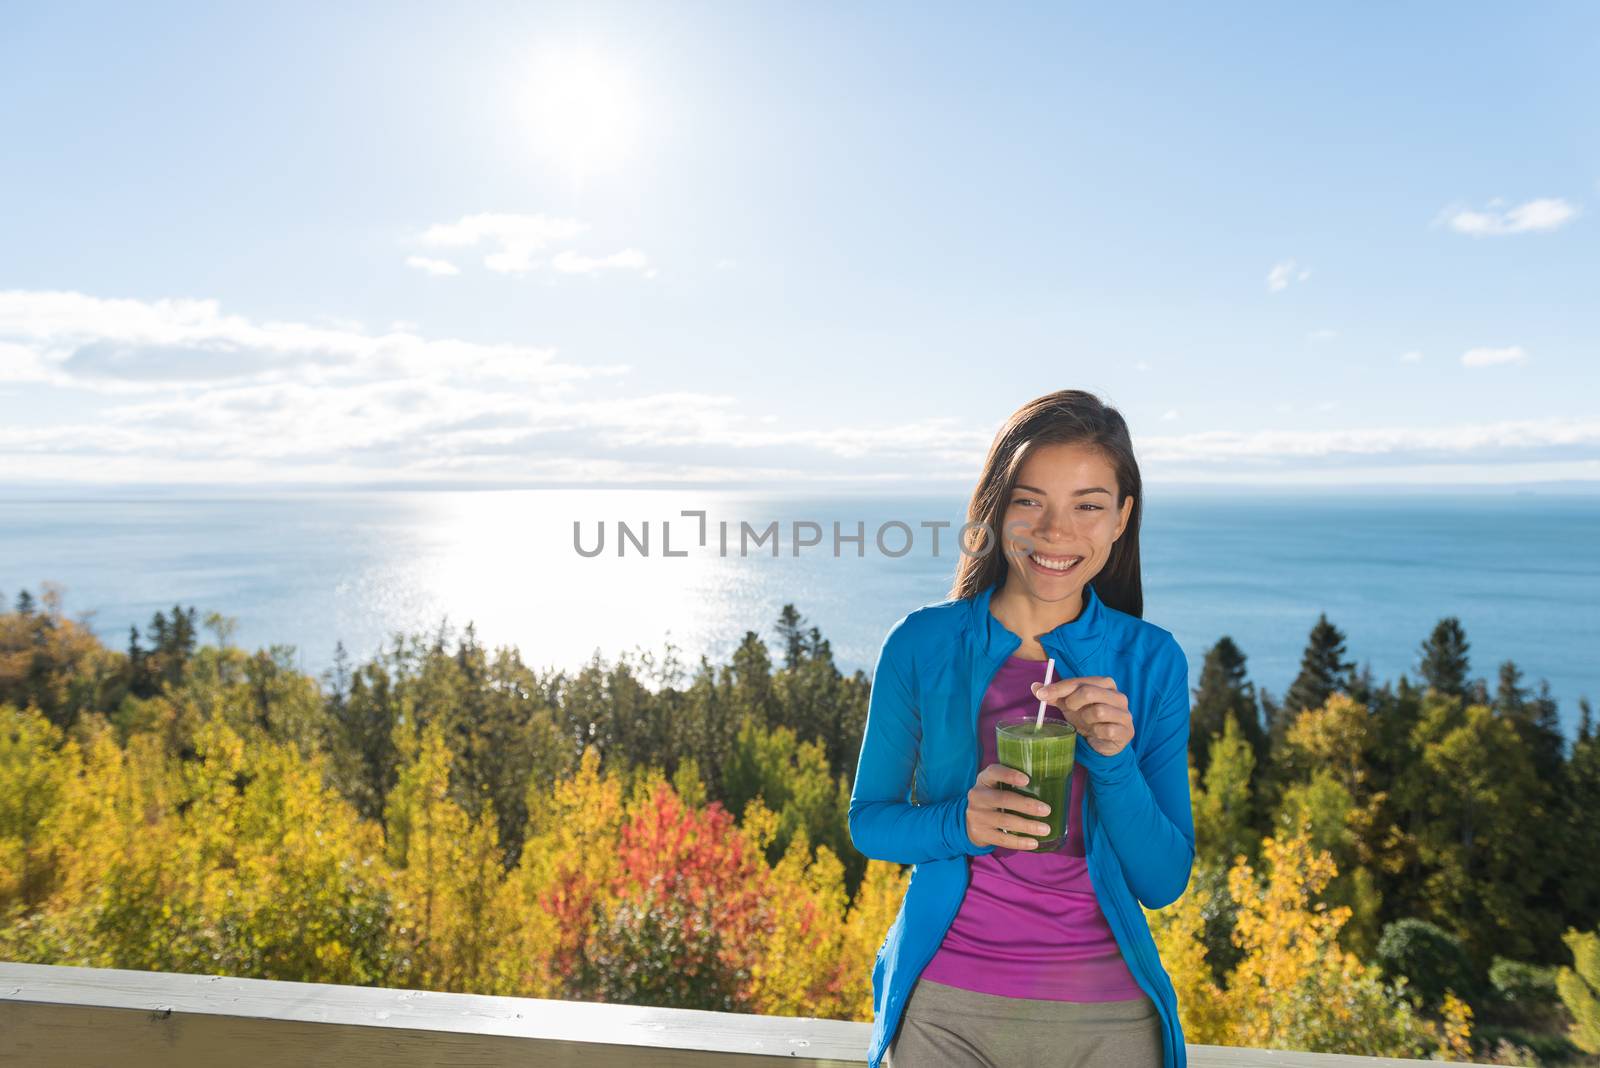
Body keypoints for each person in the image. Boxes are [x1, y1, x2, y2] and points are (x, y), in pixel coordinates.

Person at [849, 389, 1194, 1068]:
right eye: (1029, 500)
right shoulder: (921, 644)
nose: (1056, 531)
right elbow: (870, 822)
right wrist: (961, 824)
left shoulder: (1152, 662)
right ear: (996, 510)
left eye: (1088, 505)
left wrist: (1114, 761)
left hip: (1110, 1020)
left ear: (1123, 518)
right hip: (945, 1009)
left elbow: (1162, 880)